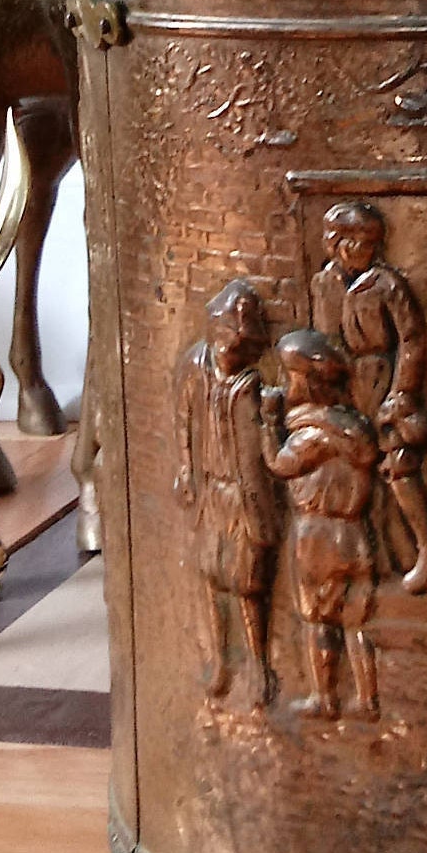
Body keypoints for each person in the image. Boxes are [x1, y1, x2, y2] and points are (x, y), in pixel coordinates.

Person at [310, 201, 427, 593]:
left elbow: (412, 339)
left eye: (372, 242)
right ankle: (368, 556)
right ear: (337, 242)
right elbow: (320, 338)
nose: (367, 249)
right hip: (342, 383)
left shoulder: (387, 285)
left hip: (383, 380)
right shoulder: (324, 283)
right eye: (359, 241)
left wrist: (402, 391)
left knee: (396, 464)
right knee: (349, 464)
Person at [260, 330, 381, 720]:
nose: (283, 384)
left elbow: (280, 464)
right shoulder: (355, 427)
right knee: (355, 620)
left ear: (306, 381)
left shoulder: (310, 434)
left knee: (317, 618)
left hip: (317, 535)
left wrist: (267, 424)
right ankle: (366, 699)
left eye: (289, 376)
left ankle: (325, 697)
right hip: (354, 533)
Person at [174, 279, 279, 703]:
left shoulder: (254, 385)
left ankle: (259, 665)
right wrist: (186, 468)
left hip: (242, 497)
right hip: (211, 491)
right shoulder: (195, 366)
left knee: (247, 584)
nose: (230, 353)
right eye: (225, 344)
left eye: (239, 347)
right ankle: (219, 660)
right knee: (209, 574)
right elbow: (183, 416)